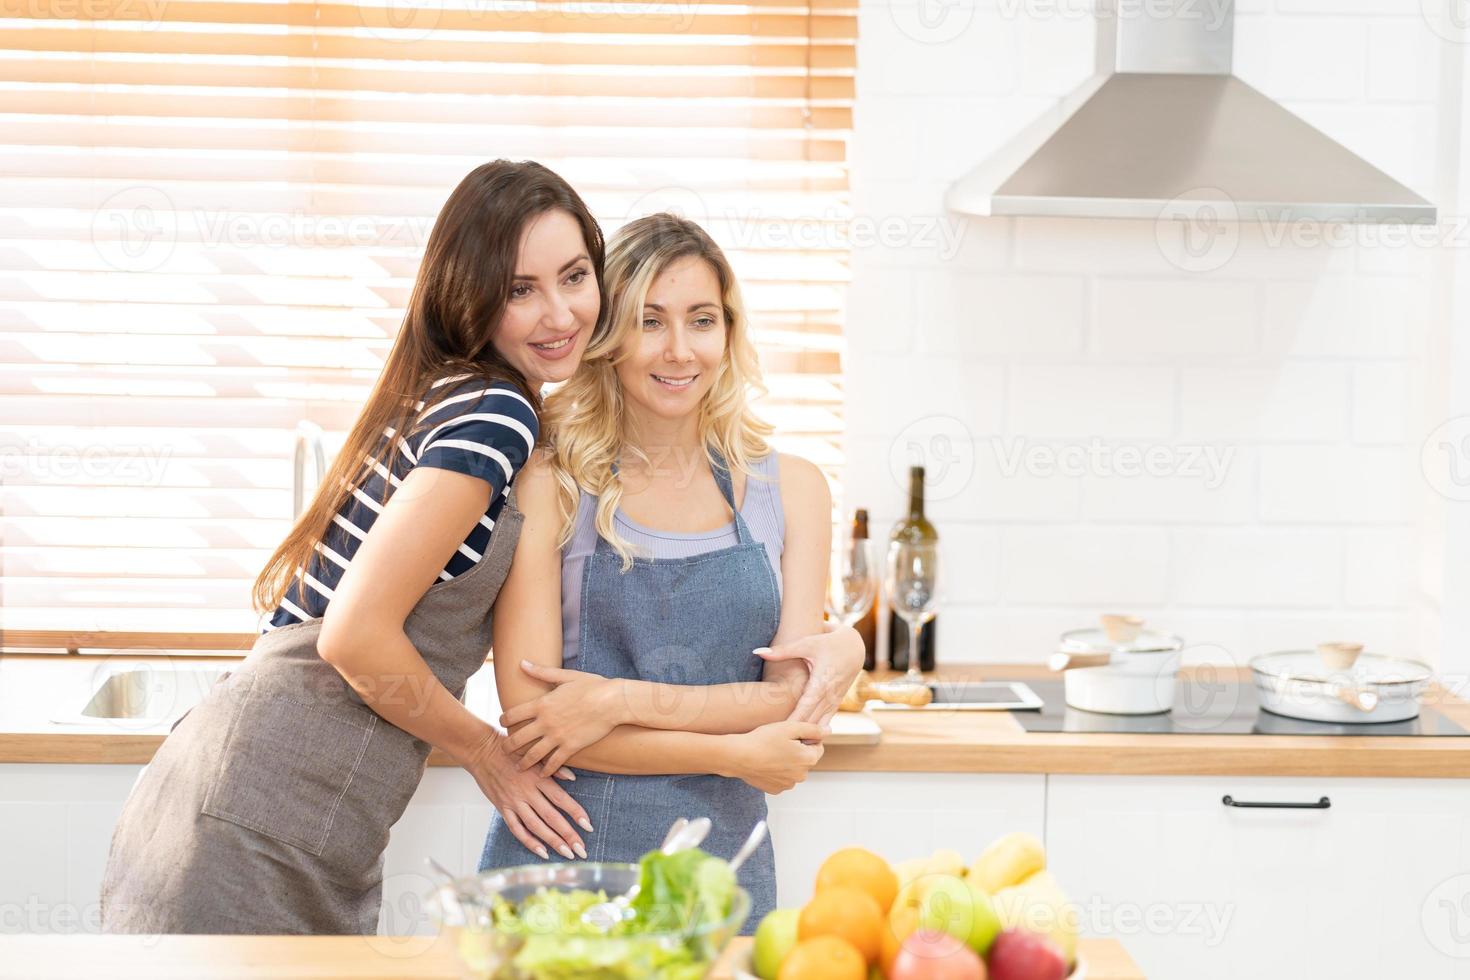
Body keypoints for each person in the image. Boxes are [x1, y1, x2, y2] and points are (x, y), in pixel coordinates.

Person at [100, 160, 607, 933]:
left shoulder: (446, 389)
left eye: (573, 276)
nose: (559, 312)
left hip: (232, 796)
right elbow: (356, 633)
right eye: (519, 289)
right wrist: (485, 752)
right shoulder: (495, 414)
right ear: (471, 295)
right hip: (258, 821)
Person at [477, 212, 864, 929]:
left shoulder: (796, 492)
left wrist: (614, 700)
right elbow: (537, 722)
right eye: (650, 322)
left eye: (702, 320)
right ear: (610, 335)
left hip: (719, 885)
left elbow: (784, 699)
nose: (680, 351)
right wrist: (736, 753)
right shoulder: (551, 483)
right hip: (563, 865)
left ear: (730, 333)